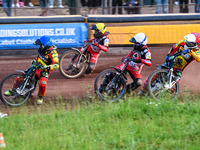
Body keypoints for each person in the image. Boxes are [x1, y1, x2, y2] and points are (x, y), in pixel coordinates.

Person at [4, 36, 59, 105]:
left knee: (42, 84)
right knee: (20, 77)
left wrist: (47, 67)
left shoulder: (53, 53)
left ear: (45, 46)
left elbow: (56, 65)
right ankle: (12, 90)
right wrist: (35, 61)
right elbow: (39, 58)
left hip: (44, 70)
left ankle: (40, 97)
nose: (39, 46)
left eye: (40, 45)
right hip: (36, 67)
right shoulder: (42, 50)